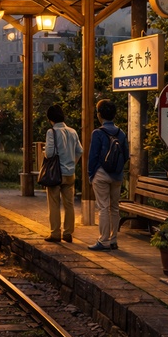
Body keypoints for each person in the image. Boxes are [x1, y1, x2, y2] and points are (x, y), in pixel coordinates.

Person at [87, 98, 130, 251]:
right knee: (115, 208)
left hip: (101, 174)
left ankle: (103, 241)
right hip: (117, 176)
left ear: (99, 115)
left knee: (104, 207)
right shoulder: (121, 133)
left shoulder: (98, 133)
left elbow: (93, 156)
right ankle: (113, 240)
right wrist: (117, 168)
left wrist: (91, 175)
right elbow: (126, 155)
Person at [43, 103, 83, 243]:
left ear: (50, 119)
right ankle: (68, 233)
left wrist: (44, 152)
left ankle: (55, 233)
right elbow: (80, 150)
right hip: (70, 173)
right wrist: (73, 162)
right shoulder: (72, 131)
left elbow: (49, 153)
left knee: (54, 203)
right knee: (69, 204)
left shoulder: (51, 132)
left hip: (56, 174)